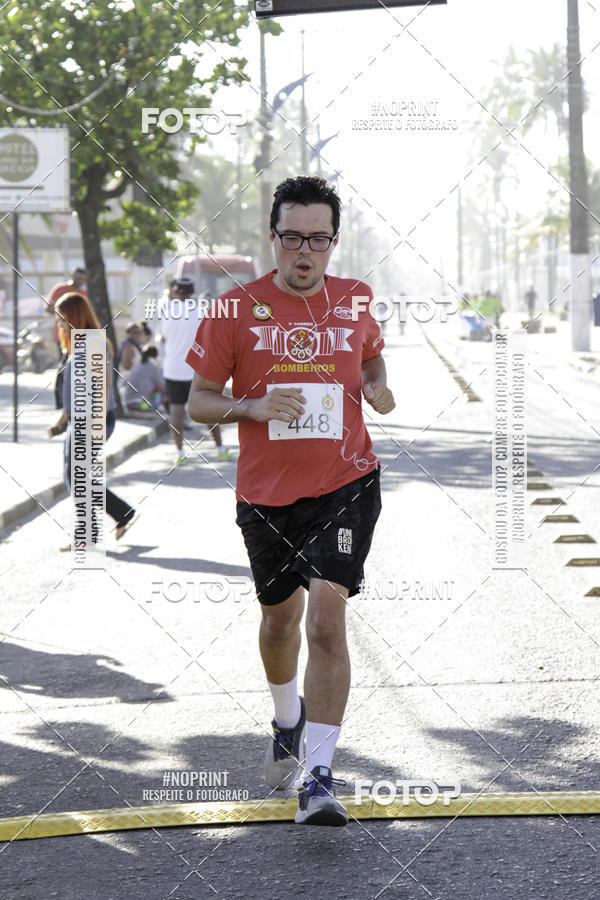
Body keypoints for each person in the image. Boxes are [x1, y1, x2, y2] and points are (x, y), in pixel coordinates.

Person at [186, 175, 395, 827]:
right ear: (273, 237)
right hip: (266, 495)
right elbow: (198, 403)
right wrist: (251, 405)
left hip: (346, 483)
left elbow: (373, 361)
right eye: (293, 237)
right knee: (280, 622)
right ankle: (287, 719)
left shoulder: (355, 300)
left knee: (326, 623)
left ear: (334, 241)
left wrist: (378, 387)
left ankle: (320, 777)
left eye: (319, 239)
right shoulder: (234, 309)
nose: (306, 251)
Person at [47, 292, 137, 550]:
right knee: (76, 477)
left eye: (62, 317)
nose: (59, 323)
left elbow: (103, 387)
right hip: (78, 419)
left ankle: (90, 533)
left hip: (92, 420)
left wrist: (96, 422)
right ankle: (118, 515)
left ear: (75, 316)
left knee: (76, 477)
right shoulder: (78, 343)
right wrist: (62, 419)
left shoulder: (94, 342)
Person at [157, 277, 233, 464]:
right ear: (192, 292)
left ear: (176, 292)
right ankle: (220, 449)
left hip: (172, 369)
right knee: (207, 409)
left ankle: (179, 453)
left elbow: (163, 338)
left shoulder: (166, 311)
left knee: (176, 412)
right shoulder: (201, 311)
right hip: (196, 368)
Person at [46, 267, 87, 360]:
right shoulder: (60, 289)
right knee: (65, 362)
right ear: (72, 276)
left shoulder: (84, 293)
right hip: (62, 333)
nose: (81, 281)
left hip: (79, 335)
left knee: (77, 364)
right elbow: (48, 308)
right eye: (78, 278)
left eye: (83, 279)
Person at [124, 344, 165, 412]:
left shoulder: (137, 364)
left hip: (129, 403)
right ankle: (159, 408)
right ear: (155, 356)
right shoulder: (152, 366)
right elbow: (162, 384)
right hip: (143, 405)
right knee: (161, 389)